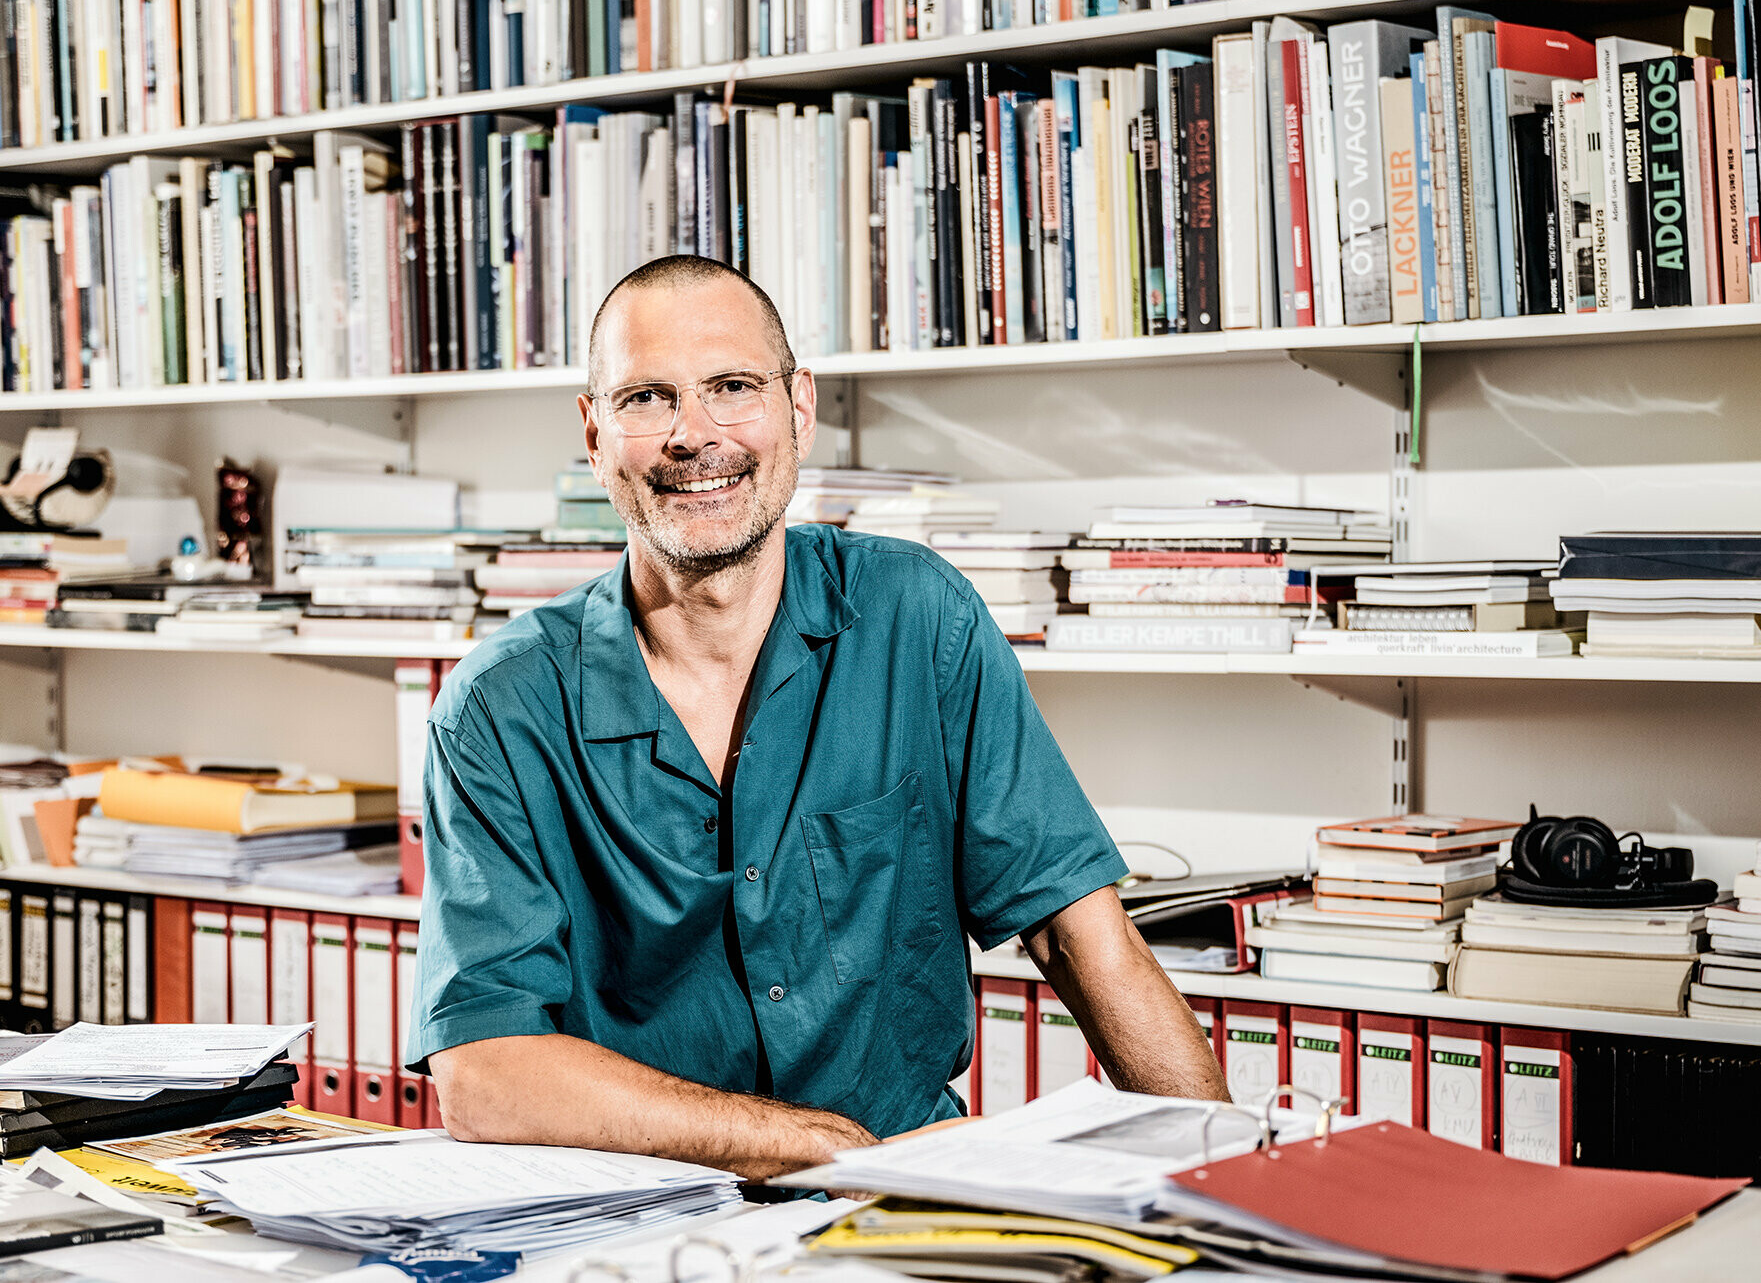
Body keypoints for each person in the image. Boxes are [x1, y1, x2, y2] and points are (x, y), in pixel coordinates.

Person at [408, 256, 1227, 1182]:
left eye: (731, 387)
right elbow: (484, 1072)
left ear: (798, 407)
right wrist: (820, 1148)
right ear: (595, 434)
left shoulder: (919, 616)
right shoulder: (498, 706)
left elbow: (1080, 933)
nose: (694, 435)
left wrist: (1228, 1186)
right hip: (642, 1210)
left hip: (913, 1199)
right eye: (647, 397)